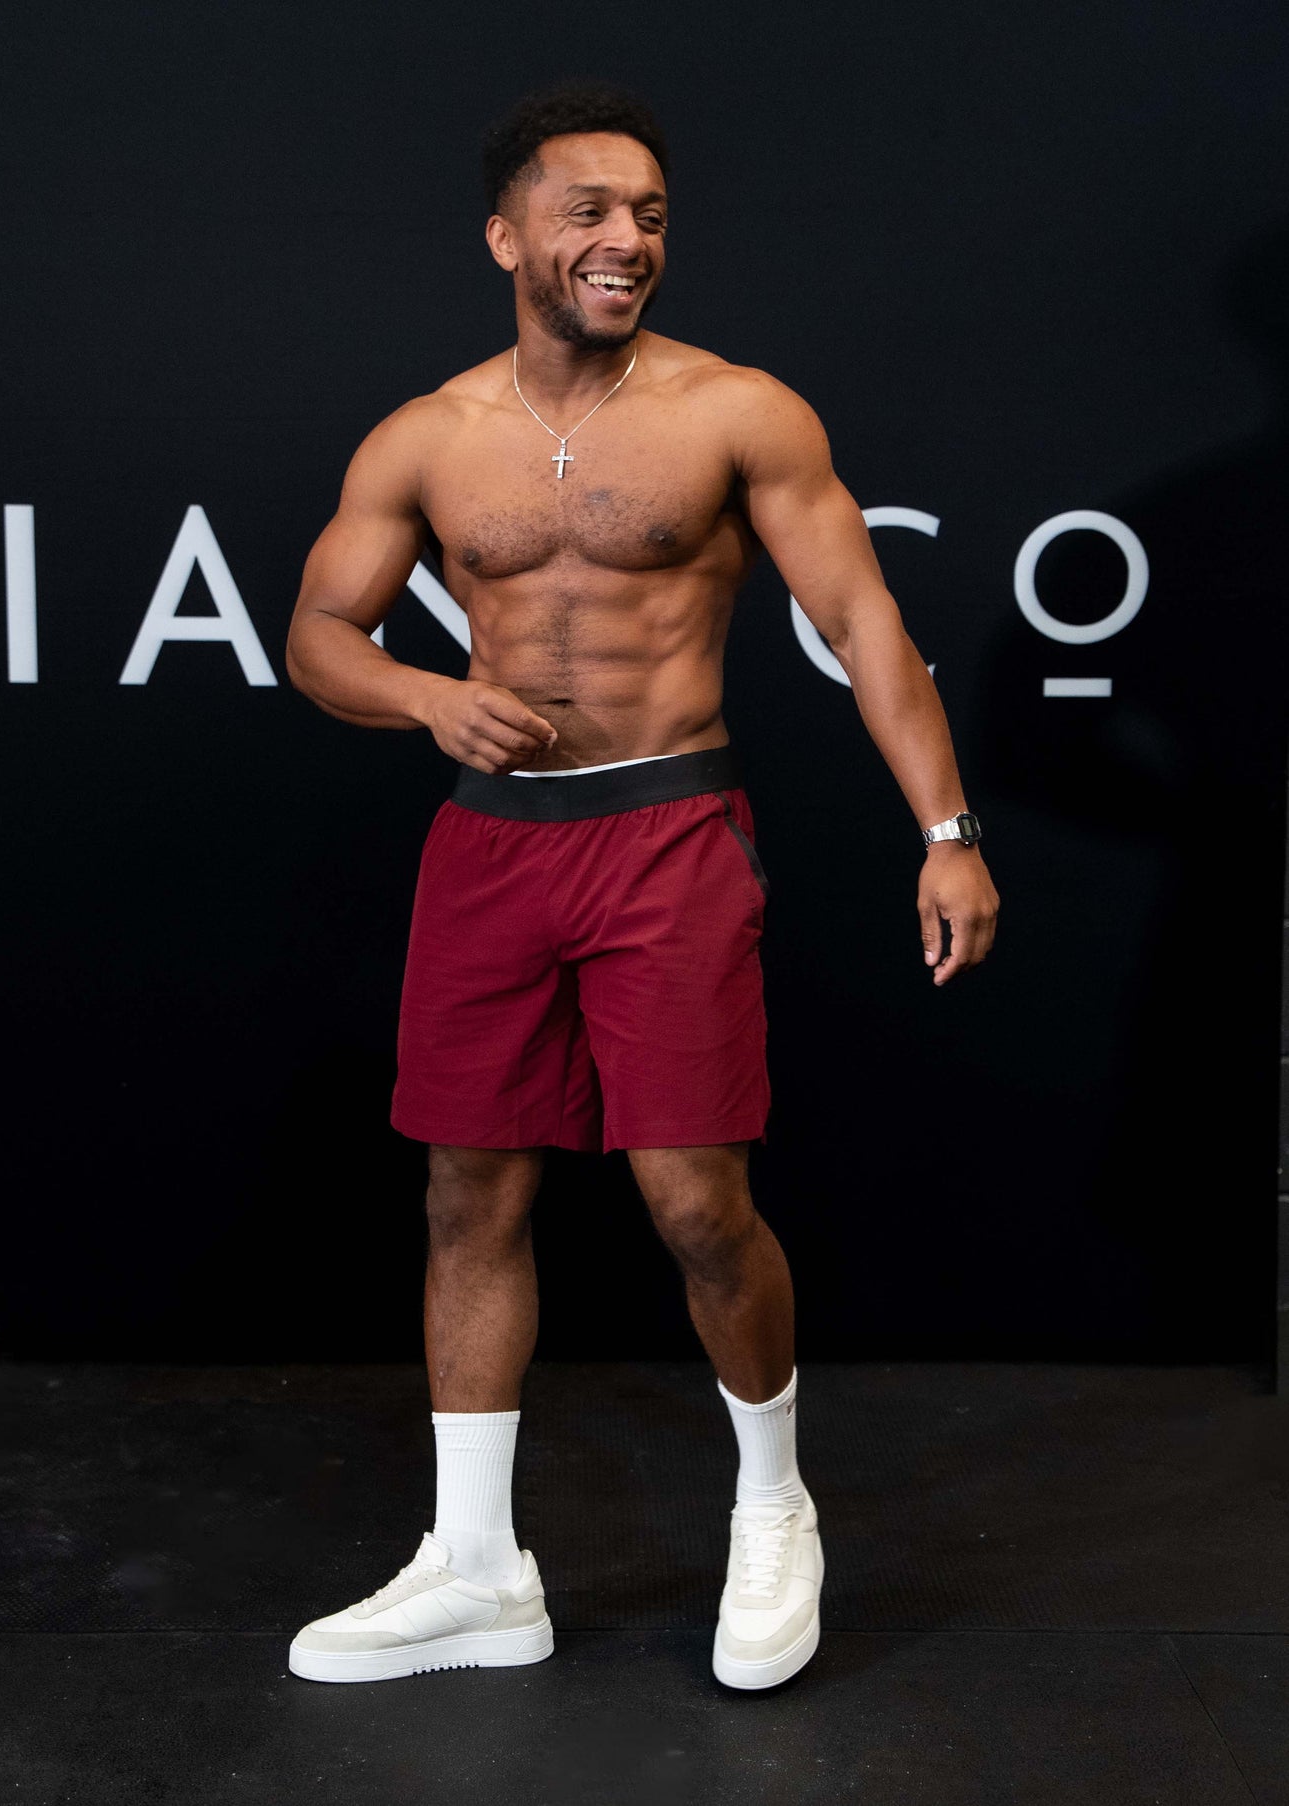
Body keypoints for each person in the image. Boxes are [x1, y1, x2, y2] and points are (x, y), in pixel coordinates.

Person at [283, 81, 999, 1691]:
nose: (625, 240)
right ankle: (477, 1569)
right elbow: (317, 634)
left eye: (650, 216)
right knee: (468, 1192)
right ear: (504, 237)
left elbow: (864, 622)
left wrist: (946, 829)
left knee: (692, 1200)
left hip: (670, 831)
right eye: (590, 211)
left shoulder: (736, 412)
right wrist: (423, 696)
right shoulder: (424, 437)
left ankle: (772, 1504)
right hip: (488, 841)